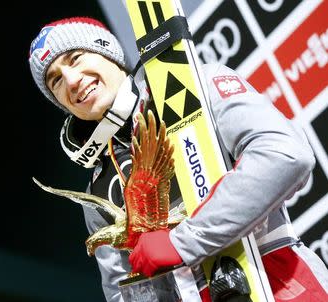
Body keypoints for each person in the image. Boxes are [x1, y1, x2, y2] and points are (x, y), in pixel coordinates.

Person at [28, 16, 328, 301]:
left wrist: (182, 242)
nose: (71, 80)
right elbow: (122, 292)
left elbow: (284, 155)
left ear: (108, 52)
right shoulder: (99, 190)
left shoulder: (194, 86)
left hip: (283, 284)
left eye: (75, 58)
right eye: (55, 81)